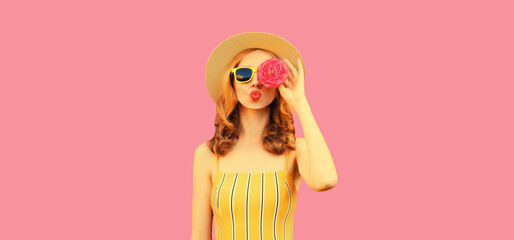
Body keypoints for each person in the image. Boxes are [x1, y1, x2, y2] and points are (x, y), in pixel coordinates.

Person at [191, 32, 337, 240]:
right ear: (231, 81)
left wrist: (300, 102)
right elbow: (199, 236)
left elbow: (326, 180)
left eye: (266, 73)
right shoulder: (206, 155)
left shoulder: (295, 150)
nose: (255, 83)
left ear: (279, 83)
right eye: (244, 74)